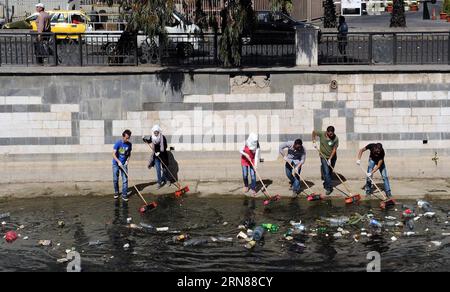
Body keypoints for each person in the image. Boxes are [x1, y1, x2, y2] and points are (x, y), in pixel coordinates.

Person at [312, 126, 339, 196]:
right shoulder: (322, 134)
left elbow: (334, 149)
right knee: (326, 172)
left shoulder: (335, 138)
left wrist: (330, 159)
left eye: (332, 134)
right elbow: (314, 132)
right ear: (327, 132)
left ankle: (326, 183)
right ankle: (329, 188)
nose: (331, 135)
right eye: (330, 134)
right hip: (323, 156)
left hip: (332, 157)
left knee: (330, 172)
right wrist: (314, 141)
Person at [112, 129, 132, 202]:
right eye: (126, 138)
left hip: (124, 164)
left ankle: (124, 194)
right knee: (115, 179)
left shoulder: (129, 144)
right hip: (116, 164)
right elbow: (113, 154)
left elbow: (129, 154)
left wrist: (127, 161)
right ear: (123, 137)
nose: (127, 139)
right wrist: (118, 161)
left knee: (125, 180)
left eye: (128, 138)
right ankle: (116, 192)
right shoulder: (118, 143)